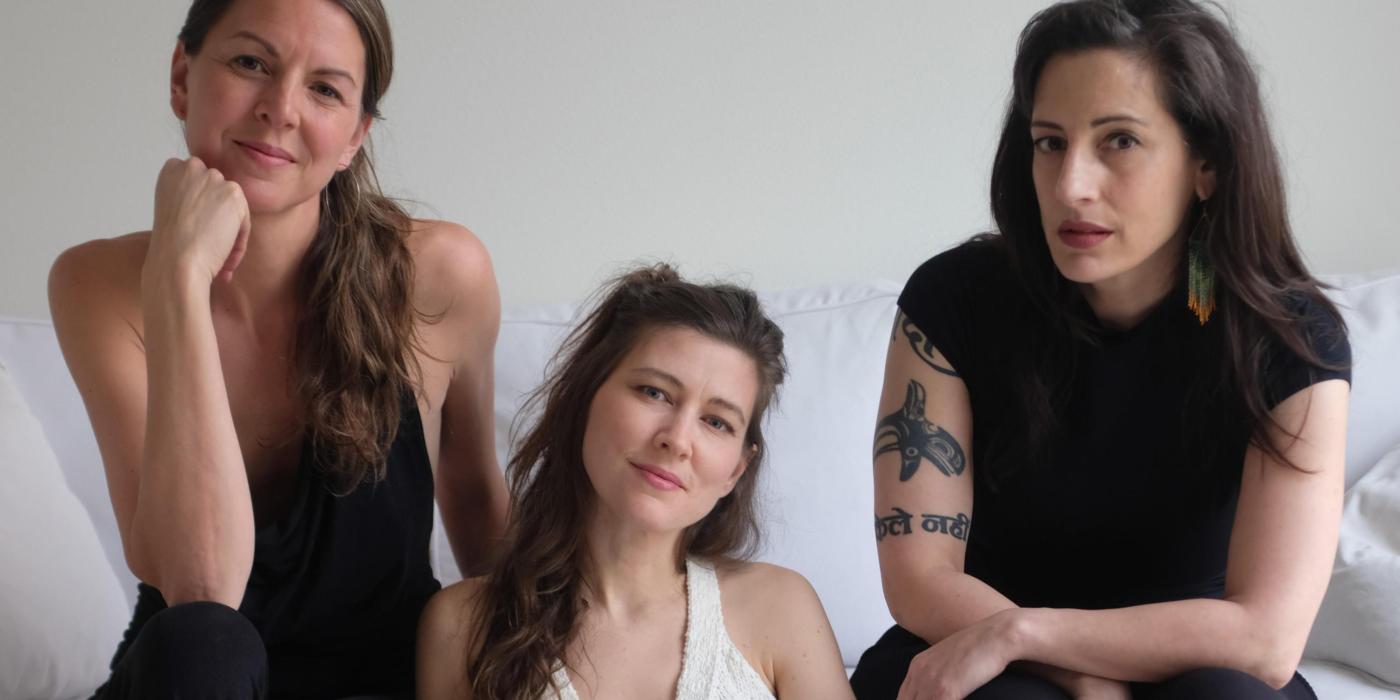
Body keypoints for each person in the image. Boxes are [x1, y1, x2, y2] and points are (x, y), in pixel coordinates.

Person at [849, 1, 1350, 699]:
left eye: (1118, 141)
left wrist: (1026, 633)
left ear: (1206, 163)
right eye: (1050, 142)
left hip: (1188, 661)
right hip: (983, 649)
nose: (1069, 186)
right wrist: (1078, 676)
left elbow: (1266, 639)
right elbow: (920, 576)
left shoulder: (1289, 339)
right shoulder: (954, 299)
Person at [48, 0, 507, 697]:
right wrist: (177, 278)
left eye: (324, 89)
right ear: (182, 75)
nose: (280, 108)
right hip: (189, 681)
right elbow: (200, 585)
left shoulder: (438, 276)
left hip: (385, 679)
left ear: (356, 135)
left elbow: (476, 506)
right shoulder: (98, 285)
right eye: (251, 63)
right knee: (203, 637)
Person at [416, 265, 854, 700]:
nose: (678, 440)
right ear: (585, 396)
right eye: (654, 392)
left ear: (736, 471)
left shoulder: (780, 608)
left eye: (717, 422)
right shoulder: (461, 626)